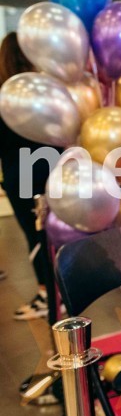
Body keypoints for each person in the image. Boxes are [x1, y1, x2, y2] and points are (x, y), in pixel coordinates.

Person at [0, 32, 58, 319]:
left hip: (21, 172)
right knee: (53, 232)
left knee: (35, 234)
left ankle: (47, 294)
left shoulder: (5, 97)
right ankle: (57, 290)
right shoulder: (47, 91)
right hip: (50, 167)